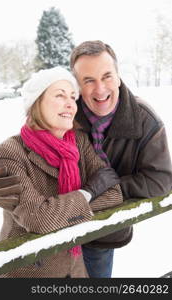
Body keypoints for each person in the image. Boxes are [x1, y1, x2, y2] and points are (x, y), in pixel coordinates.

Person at [0, 66, 123, 278]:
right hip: (29, 272)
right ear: (36, 103)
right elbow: (39, 219)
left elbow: (114, 193)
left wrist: (56, 209)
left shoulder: (78, 141)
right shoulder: (10, 152)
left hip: (75, 268)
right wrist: (88, 192)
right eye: (60, 95)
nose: (71, 104)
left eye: (72, 96)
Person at [69, 40, 172, 278]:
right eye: (89, 80)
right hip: (52, 230)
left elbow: (160, 180)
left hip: (100, 232)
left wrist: (101, 190)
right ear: (77, 85)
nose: (100, 89)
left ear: (117, 76)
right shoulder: (64, 111)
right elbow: (30, 148)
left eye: (107, 76)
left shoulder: (145, 119)